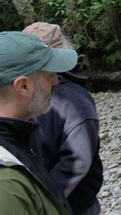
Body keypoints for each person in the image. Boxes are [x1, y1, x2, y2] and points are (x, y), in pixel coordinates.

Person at [23, 22, 104, 215]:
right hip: (65, 203)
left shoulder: (20, 92)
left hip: (46, 200)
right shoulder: (75, 99)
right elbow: (77, 162)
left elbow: (77, 160)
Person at [0, 31, 77, 214]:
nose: (56, 81)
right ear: (23, 86)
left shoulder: (15, 140)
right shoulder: (5, 186)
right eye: (49, 74)